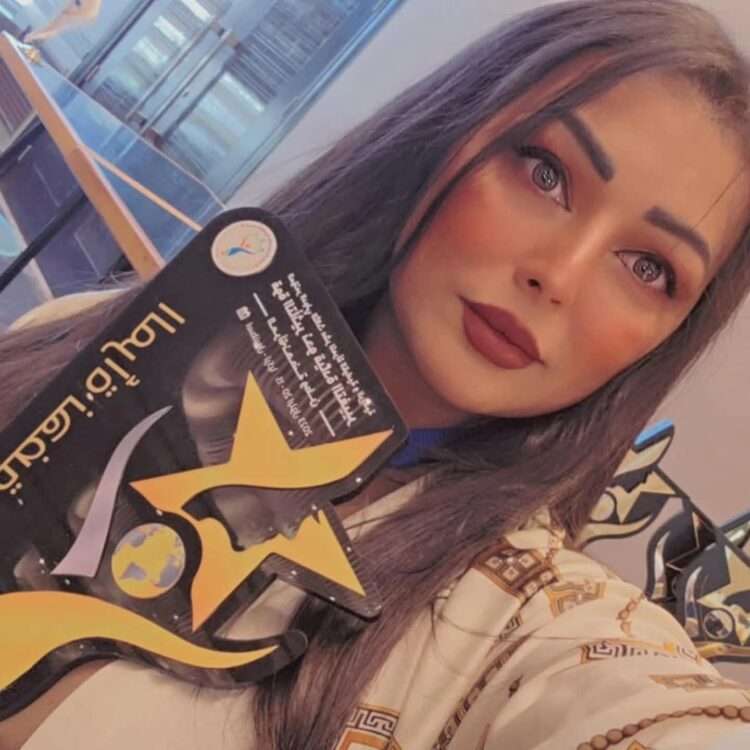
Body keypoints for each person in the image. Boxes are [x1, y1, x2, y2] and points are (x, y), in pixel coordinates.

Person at [2, 0, 750, 747]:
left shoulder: (522, 624)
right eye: (545, 173)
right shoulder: (76, 334)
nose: (557, 275)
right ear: (451, 132)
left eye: (648, 268)